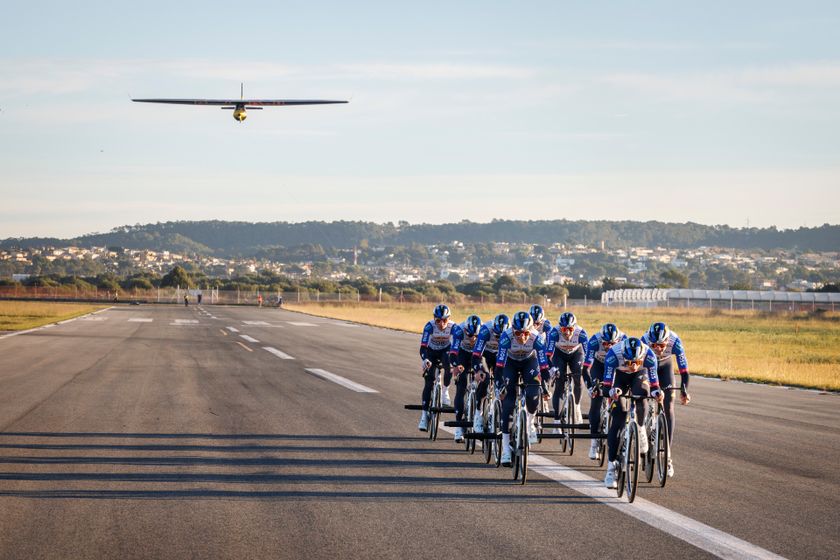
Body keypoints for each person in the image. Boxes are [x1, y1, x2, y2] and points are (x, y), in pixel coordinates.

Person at [601, 337, 661, 489]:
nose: (633, 366)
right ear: (624, 357)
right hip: (619, 379)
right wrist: (613, 391)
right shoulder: (613, 355)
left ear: (642, 358)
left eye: (637, 362)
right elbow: (606, 387)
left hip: (639, 378)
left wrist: (657, 393)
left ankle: (640, 428)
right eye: (629, 363)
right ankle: (611, 467)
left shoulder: (649, 355)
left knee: (642, 394)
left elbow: (654, 384)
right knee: (618, 420)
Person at [495, 311, 551, 466]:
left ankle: (530, 423)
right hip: (510, 364)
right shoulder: (506, 337)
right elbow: (499, 366)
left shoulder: (536, 338)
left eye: (525, 333)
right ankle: (506, 449)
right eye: (518, 333)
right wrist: (500, 386)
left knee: (533, 395)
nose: (522, 337)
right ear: (513, 330)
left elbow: (544, 366)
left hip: (529, 362)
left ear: (530, 330)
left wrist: (545, 384)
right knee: (508, 401)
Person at [640, 322, 691, 477]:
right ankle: (643, 432)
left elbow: (684, 371)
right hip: (648, 367)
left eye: (662, 345)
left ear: (667, 341)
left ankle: (667, 454)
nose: (658, 349)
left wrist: (684, 390)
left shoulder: (675, 341)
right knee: (644, 397)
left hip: (665, 366)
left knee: (668, 408)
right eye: (654, 345)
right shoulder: (643, 340)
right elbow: (637, 369)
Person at [582, 323, 626, 460]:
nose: (609, 347)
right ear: (601, 341)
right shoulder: (594, 341)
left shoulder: (625, 340)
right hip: (599, 366)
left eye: (612, 343)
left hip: (617, 367)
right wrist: (590, 386)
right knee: (596, 401)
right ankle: (594, 442)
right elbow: (585, 368)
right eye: (606, 344)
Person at [417, 304, 455, 431]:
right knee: (429, 382)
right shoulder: (429, 326)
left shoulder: (453, 327)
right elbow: (423, 347)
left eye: (445, 320)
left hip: (445, 351)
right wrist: (425, 359)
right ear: (434, 319)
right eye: (438, 320)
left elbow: (456, 346)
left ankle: (445, 391)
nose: (441, 323)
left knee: (449, 364)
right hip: (431, 352)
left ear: (449, 319)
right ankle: (423, 416)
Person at [546, 312, 588, 425]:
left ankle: (577, 407)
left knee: (578, 378)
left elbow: (589, 354)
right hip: (559, 355)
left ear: (574, 327)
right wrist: (552, 369)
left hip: (576, 354)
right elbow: (548, 355)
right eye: (564, 329)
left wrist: (586, 368)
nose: (567, 332)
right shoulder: (554, 333)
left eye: (570, 329)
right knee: (559, 383)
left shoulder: (581, 333)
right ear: (560, 328)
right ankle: (556, 420)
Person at [470, 313, 510, 433]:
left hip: (501, 356)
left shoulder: (512, 332)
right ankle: (478, 414)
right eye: (497, 337)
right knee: (486, 378)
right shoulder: (486, 330)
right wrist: (478, 370)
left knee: (505, 382)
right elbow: (476, 354)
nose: (499, 339)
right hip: (486, 355)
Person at [449, 314, 482, 443]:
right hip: (462, 354)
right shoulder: (459, 330)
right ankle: (458, 426)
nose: (473, 338)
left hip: (476, 355)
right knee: (461, 387)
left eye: (476, 336)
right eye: (470, 335)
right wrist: (456, 366)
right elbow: (453, 352)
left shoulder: (483, 331)